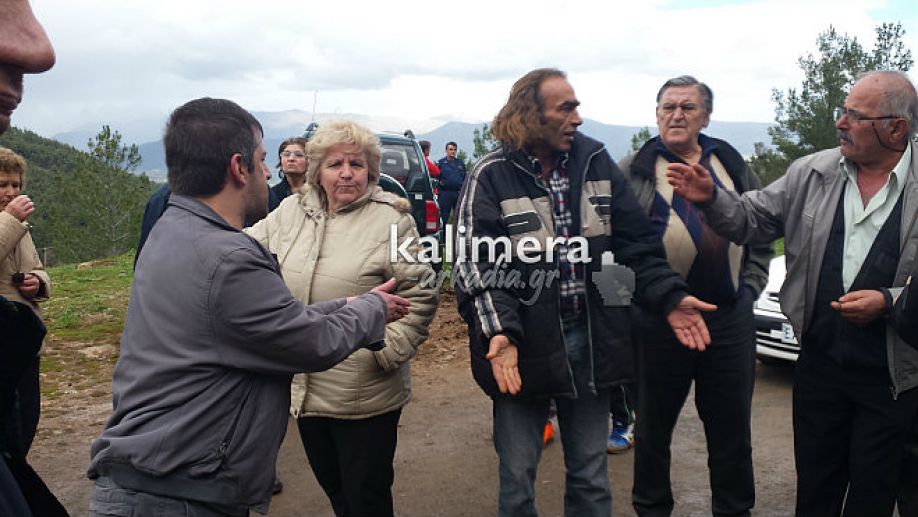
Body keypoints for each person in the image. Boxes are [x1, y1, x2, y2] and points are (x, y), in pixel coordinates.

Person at [88, 98, 412, 517]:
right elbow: (308, 342)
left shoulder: (171, 229)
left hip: (155, 473)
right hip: (183, 491)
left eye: (356, 164)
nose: (270, 171)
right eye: (262, 159)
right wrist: (371, 309)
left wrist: (347, 311)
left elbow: (265, 320)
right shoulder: (232, 256)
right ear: (238, 167)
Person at [454, 67, 716, 517]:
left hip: (592, 343)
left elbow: (635, 245)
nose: (577, 117)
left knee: (591, 477)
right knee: (517, 477)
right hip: (521, 347)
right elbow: (476, 263)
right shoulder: (491, 175)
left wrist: (668, 296)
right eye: (566, 108)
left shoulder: (595, 160)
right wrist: (501, 332)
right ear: (530, 114)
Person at [668, 70, 918, 517]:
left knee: (873, 495)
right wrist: (710, 198)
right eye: (842, 111)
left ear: (896, 128)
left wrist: (890, 300)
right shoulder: (813, 172)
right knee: (815, 491)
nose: (840, 122)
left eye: (855, 116)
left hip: (893, 378)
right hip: (820, 368)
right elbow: (752, 219)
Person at [248, 120, 438, 517]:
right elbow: (244, 252)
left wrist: (385, 351)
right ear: (318, 170)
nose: (347, 173)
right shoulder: (291, 211)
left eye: (357, 164)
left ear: (371, 171)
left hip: (365, 393)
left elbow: (421, 292)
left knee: (367, 499)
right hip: (305, 387)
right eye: (336, 164)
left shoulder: (392, 221)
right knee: (336, 492)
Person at [618, 75, 772, 516]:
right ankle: (652, 509)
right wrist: (629, 309)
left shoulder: (731, 164)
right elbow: (610, 249)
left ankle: (734, 509)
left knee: (731, 432)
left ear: (706, 116)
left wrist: (749, 289)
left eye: (687, 107)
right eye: (668, 107)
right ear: (656, 114)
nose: (677, 115)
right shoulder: (632, 169)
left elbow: (761, 227)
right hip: (657, 321)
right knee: (652, 431)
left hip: (728, 319)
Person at [0, 2, 57, 515]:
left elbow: (35, 267)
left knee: (23, 423)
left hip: (21, 338)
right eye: (3, 184)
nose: (11, 192)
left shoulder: (19, 224)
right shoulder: (11, 221)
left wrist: (39, 283)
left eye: (16, 184)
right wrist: (11, 220)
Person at [436, 141, 466, 224]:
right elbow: (436, 178)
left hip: (458, 193)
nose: (453, 151)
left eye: (455, 149)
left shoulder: (460, 163)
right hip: (445, 193)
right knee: (443, 217)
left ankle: (458, 232)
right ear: (446, 150)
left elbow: (465, 177)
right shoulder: (441, 163)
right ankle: (443, 232)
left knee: (459, 217)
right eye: (451, 149)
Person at [272, 136, 308, 201]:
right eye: (286, 154)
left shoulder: (319, 192)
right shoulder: (272, 195)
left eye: (298, 155)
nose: (291, 159)